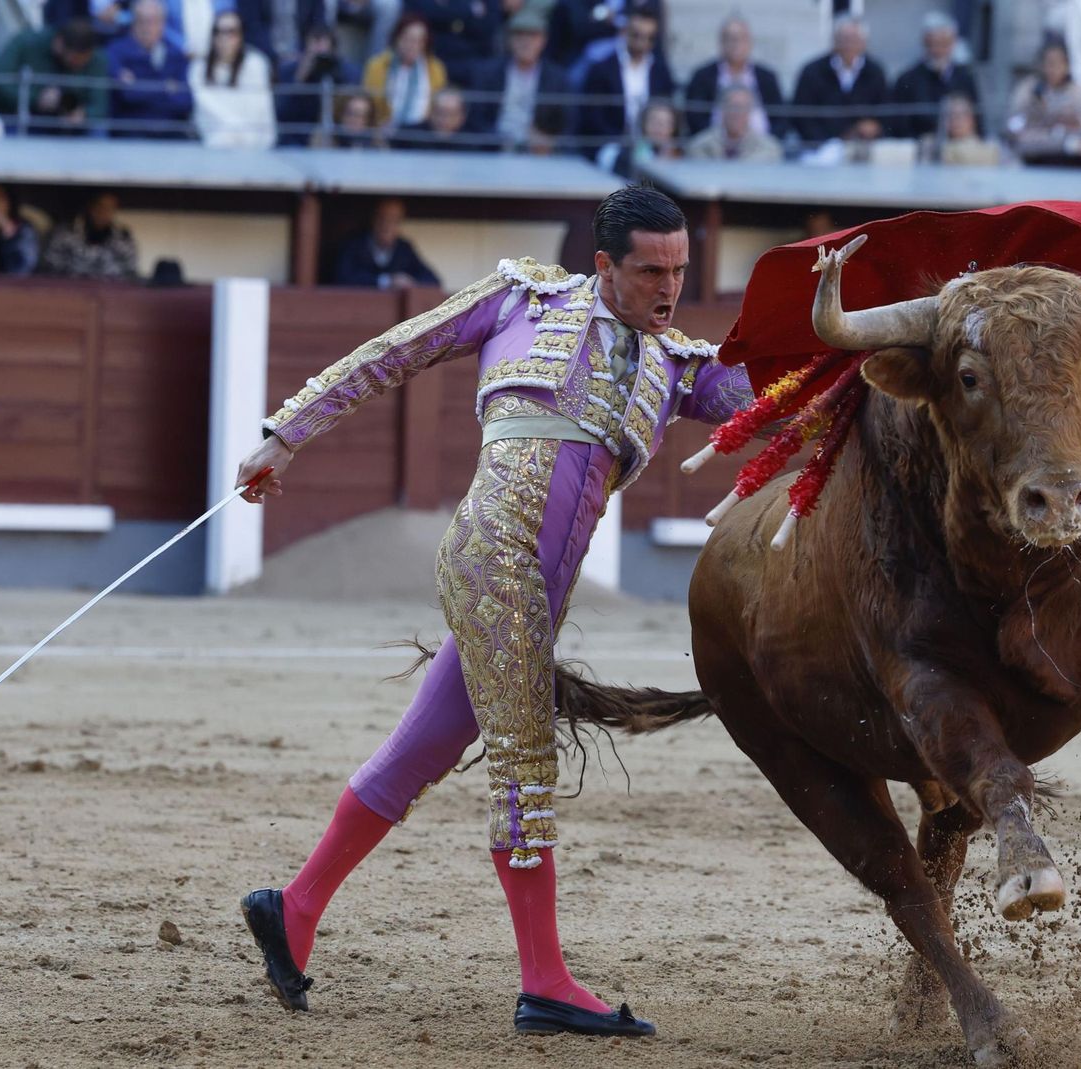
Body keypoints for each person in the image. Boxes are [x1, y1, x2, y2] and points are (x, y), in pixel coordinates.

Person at [234, 185, 756, 1037]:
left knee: (420, 750)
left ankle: (292, 907)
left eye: (679, 271)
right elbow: (393, 352)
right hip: (493, 558)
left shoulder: (676, 367)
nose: (669, 289)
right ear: (603, 265)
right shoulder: (523, 300)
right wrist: (285, 433)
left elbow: (777, 395)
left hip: (536, 592)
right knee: (524, 760)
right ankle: (545, 981)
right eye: (650, 271)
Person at [463, 7, 569, 151]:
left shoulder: (558, 79)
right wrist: (499, 141)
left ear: (543, 40)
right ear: (509, 39)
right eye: (519, 35)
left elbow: (567, 124)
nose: (526, 41)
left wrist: (547, 140)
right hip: (493, 151)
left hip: (540, 154)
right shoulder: (486, 73)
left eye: (532, 35)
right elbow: (475, 120)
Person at [0, 17, 109, 134]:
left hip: (76, 128)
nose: (78, 65)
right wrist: (36, 98)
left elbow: (100, 105)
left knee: (98, 130)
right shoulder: (27, 42)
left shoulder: (96, 59)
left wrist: (83, 114)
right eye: (74, 60)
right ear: (59, 44)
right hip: (26, 119)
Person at [576, 3, 670, 150]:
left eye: (649, 38)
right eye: (636, 35)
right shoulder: (602, 69)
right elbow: (592, 116)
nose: (642, 42)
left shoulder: (660, 72)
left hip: (651, 147)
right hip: (608, 145)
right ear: (625, 31)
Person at [789, 14, 887, 146]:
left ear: (864, 43)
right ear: (834, 41)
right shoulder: (812, 71)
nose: (849, 45)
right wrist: (827, 143)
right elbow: (802, 115)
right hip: (819, 147)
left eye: (854, 40)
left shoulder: (875, 72)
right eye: (845, 39)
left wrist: (873, 126)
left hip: (863, 146)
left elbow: (885, 111)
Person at [1006, 39, 1081, 167]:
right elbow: (1016, 131)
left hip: (1072, 162)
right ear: (1041, 65)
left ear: (1067, 66)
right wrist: (1066, 142)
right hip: (1037, 157)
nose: (1053, 69)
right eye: (1050, 63)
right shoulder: (1028, 90)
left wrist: (1062, 129)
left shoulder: (1077, 92)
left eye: (1059, 64)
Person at [682, 15, 781, 138]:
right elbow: (695, 118)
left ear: (750, 42)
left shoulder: (767, 77)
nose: (736, 44)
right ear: (721, 43)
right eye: (731, 39)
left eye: (741, 38)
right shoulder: (702, 77)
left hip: (760, 145)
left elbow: (780, 118)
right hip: (715, 145)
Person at [107, 0, 194, 138]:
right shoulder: (116, 51)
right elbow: (127, 95)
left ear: (163, 24)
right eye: (141, 21)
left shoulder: (177, 55)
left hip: (171, 134)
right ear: (133, 23)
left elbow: (185, 102)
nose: (147, 27)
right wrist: (166, 87)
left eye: (153, 21)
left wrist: (138, 85)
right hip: (130, 134)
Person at [190, 9, 276, 148]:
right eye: (219, 32)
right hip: (215, 142)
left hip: (252, 141)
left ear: (241, 35)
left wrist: (239, 133)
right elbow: (205, 107)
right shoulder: (199, 68)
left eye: (231, 32)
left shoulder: (256, 64)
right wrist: (232, 130)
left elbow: (258, 106)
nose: (224, 38)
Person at [889, 11, 977, 139]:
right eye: (933, 44)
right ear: (925, 43)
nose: (938, 50)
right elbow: (899, 124)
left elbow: (977, 118)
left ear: (952, 44)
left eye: (944, 44)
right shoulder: (907, 79)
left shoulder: (965, 77)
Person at [274, 23, 361, 146]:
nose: (319, 49)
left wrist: (335, 72)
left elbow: (352, 105)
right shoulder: (288, 70)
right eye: (315, 42)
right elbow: (281, 113)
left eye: (324, 43)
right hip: (298, 136)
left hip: (337, 137)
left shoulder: (347, 71)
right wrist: (299, 78)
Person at [332, 197, 440, 288]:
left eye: (393, 220)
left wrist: (410, 282)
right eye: (382, 218)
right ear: (373, 219)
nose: (386, 225)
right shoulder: (354, 244)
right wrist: (386, 281)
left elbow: (433, 281)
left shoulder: (403, 249)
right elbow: (342, 278)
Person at [39, 191, 140, 278]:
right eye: (100, 206)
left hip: (110, 289)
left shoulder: (122, 237)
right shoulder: (65, 232)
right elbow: (50, 265)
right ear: (90, 207)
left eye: (110, 208)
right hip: (69, 288)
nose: (103, 212)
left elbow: (130, 269)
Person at [405, 0, 501, 85]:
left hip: (473, 65)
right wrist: (468, 10)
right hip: (430, 61)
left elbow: (488, 27)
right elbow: (412, 20)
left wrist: (441, 13)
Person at [685, 84, 780, 162]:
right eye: (733, 106)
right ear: (722, 108)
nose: (737, 113)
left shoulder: (769, 148)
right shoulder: (700, 146)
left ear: (751, 111)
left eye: (743, 107)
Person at [605, 96, 679, 177]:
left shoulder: (679, 155)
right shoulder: (627, 155)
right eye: (654, 121)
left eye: (666, 123)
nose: (660, 127)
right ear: (644, 123)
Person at [926, 91, 1004, 166]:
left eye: (958, 116)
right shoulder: (932, 145)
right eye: (949, 116)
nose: (954, 121)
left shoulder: (990, 147)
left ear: (971, 117)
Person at [388, 83, 473, 149]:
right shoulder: (409, 136)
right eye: (440, 113)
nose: (445, 120)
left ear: (462, 116)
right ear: (430, 112)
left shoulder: (474, 141)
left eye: (451, 114)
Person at [311, 87, 385, 147]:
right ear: (339, 113)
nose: (356, 120)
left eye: (363, 116)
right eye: (351, 113)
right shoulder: (323, 136)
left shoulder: (376, 140)